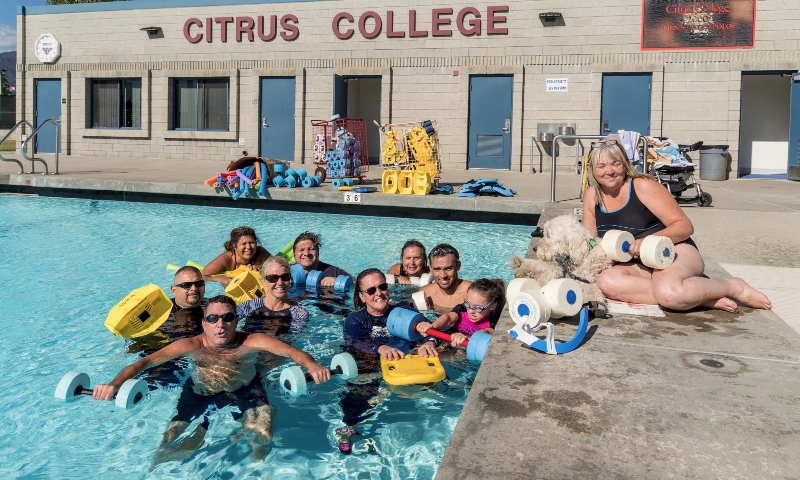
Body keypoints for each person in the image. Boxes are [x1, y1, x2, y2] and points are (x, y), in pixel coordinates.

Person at [92, 295, 331, 462]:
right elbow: (142, 362)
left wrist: (311, 364)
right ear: (203, 323)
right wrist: (114, 384)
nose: (220, 324)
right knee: (171, 439)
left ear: (237, 320)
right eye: (213, 319)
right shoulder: (192, 344)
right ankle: (157, 469)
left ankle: (256, 468)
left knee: (264, 429)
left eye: (227, 318)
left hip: (247, 388)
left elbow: (291, 351)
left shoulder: (249, 340)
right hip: (200, 393)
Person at [582, 139, 771, 313]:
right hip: (638, 265)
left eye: (616, 163)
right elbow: (589, 242)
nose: (610, 171)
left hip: (673, 252)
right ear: (591, 168)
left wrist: (648, 240)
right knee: (606, 282)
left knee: (670, 294)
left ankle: (733, 287)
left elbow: (684, 226)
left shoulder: (643, 186)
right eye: (602, 166)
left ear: (625, 164)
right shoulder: (591, 196)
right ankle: (699, 297)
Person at [337, 268, 420, 454]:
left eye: (382, 287)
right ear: (362, 296)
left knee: (408, 411)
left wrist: (428, 341)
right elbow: (355, 340)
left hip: (399, 365)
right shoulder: (355, 319)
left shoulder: (403, 313)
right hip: (367, 367)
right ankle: (348, 429)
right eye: (371, 290)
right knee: (355, 406)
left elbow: (427, 331)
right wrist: (379, 348)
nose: (378, 293)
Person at [415, 278, 505, 357]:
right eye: (467, 304)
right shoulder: (462, 308)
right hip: (449, 337)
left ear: (492, 306)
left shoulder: (495, 318)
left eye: (478, 308)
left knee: (455, 353)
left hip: (468, 344)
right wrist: (432, 326)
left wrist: (465, 338)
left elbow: (487, 332)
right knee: (426, 344)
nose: (471, 311)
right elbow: (448, 318)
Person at [236, 256, 309, 339]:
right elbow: (228, 326)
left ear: (290, 280)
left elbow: (288, 341)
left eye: (285, 277)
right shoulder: (248, 306)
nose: (280, 283)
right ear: (264, 282)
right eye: (273, 278)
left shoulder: (299, 314)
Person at [202, 227, 271, 286]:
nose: (248, 247)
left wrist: (262, 267)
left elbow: (279, 266)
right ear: (234, 246)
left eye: (251, 243)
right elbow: (203, 276)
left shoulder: (261, 253)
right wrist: (221, 279)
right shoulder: (226, 259)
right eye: (243, 243)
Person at [416, 244, 472, 312]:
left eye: (448, 269)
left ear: (458, 266)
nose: (443, 275)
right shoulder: (425, 294)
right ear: (430, 268)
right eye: (437, 269)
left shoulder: (473, 293)